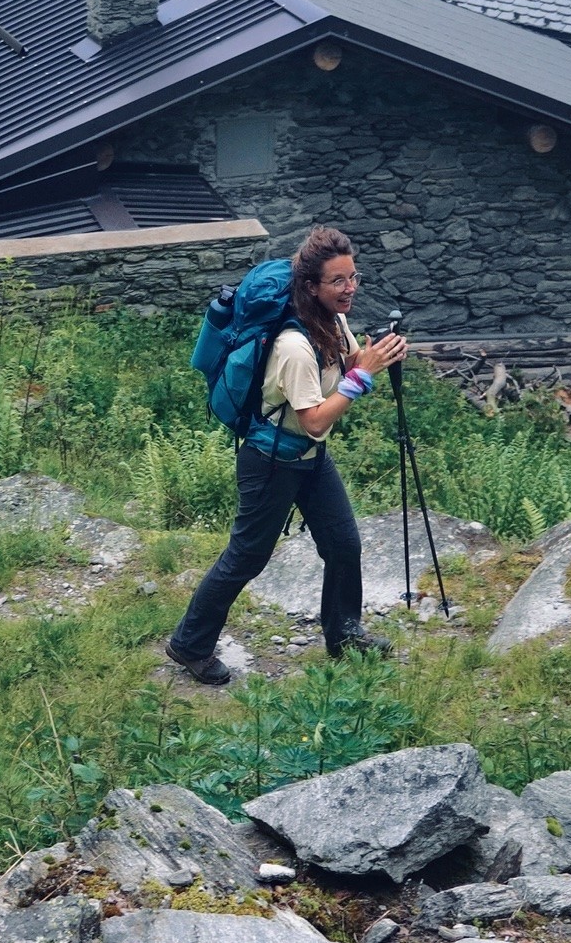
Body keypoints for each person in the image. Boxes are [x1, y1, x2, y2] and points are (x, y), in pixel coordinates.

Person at [165, 226, 409, 685]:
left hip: (308, 457)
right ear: (311, 286)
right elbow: (316, 418)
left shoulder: (332, 322)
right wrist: (365, 379)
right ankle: (189, 645)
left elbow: (351, 366)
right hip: (271, 462)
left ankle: (344, 635)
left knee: (344, 545)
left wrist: (378, 357)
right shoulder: (295, 346)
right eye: (337, 281)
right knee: (246, 558)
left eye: (353, 277)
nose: (349, 288)